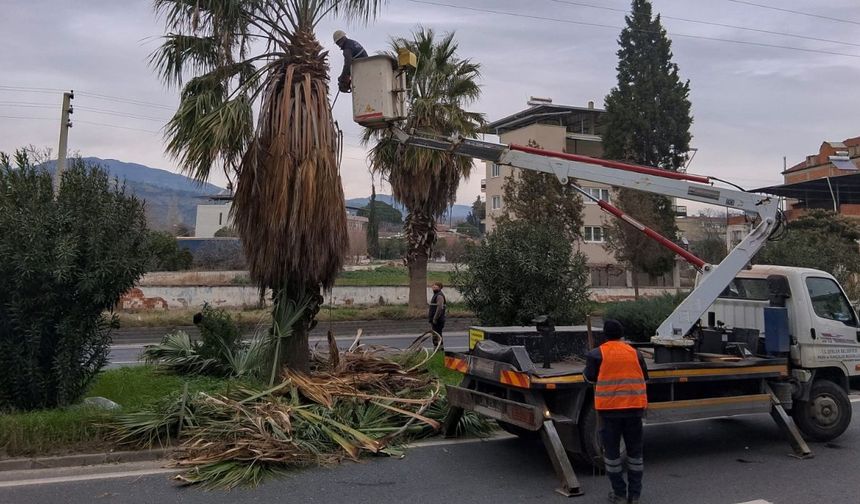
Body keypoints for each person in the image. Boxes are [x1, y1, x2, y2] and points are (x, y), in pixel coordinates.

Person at [584, 319, 649, 504]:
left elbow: (589, 378)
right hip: (634, 410)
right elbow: (645, 377)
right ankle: (634, 495)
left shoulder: (596, 354)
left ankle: (619, 493)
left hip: (610, 411)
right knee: (635, 454)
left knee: (612, 455)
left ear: (605, 335)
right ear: (622, 334)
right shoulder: (635, 353)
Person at [428, 282, 446, 347]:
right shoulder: (436, 295)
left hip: (438, 320)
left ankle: (439, 348)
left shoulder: (439, 295)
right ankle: (437, 348)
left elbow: (440, 308)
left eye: (436, 286)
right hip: (435, 320)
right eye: (433, 286)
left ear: (440, 287)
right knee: (436, 335)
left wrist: (435, 318)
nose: (434, 287)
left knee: (437, 335)